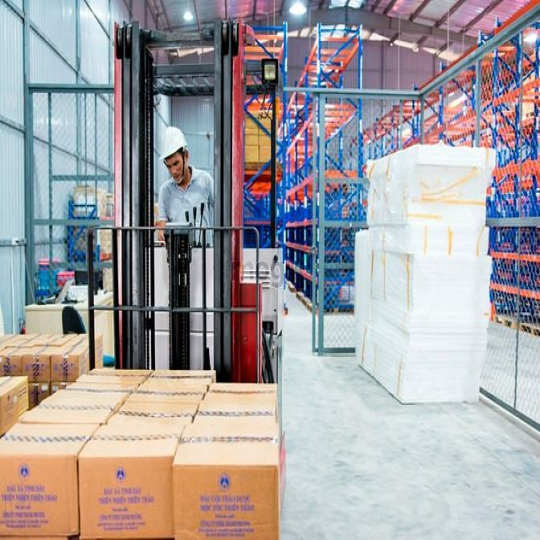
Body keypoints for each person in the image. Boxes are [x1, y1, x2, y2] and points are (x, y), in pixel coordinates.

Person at [156, 127, 214, 243]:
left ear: (186, 155)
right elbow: (162, 223)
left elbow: (223, 214)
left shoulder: (205, 181)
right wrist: (161, 232)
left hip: (205, 251)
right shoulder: (165, 191)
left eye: (176, 164)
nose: (173, 171)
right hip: (176, 252)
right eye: (169, 166)